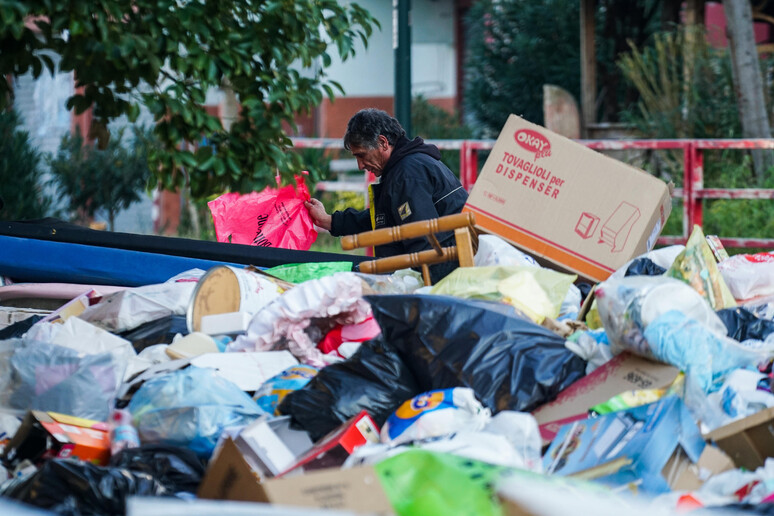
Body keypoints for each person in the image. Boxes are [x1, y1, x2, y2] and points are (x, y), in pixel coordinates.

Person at [305, 108, 468, 282]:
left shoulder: (406, 174)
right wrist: (330, 221)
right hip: (456, 263)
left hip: (448, 274)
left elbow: (422, 243)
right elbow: (385, 217)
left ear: (383, 143)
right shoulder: (409, 165)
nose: (360, 165)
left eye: (361, 155)